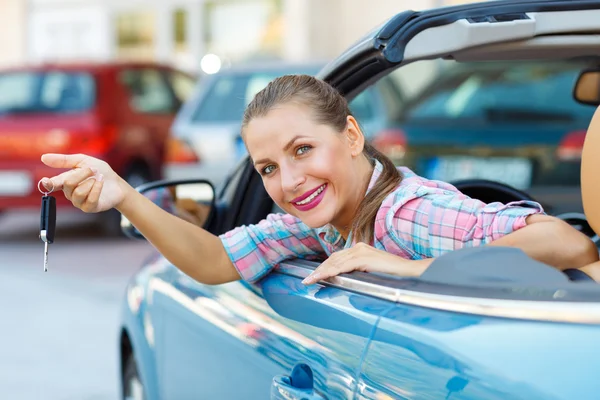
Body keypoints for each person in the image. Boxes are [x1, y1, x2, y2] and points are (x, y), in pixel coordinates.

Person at [39, 75, 599, 285]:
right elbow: (214, 261)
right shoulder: (321, 224)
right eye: (268, 168)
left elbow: (567, 241)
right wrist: (125, 196)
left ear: (352, 136)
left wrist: (408, 267)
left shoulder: (407, 212)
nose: (289, 180)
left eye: (303, 149)